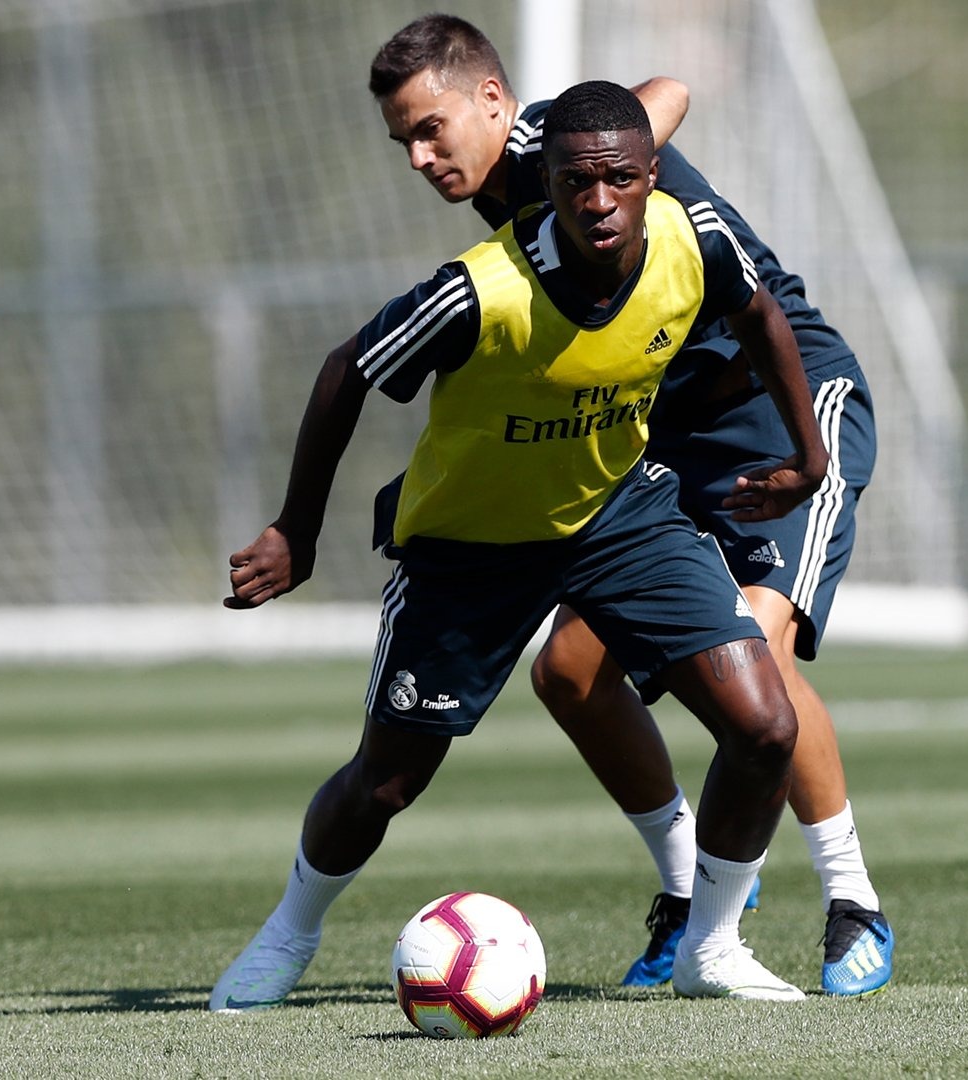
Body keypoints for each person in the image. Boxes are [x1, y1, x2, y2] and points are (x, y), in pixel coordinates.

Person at [209, 80, 830, 1012]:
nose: (598, 201)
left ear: (650, 177)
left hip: (619, 518)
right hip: (471, 547)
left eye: (620, 178)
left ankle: (713, 946)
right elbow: (347, 371)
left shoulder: (692, 241)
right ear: (550, 181)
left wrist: (807, 457)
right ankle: (288, 933)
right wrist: (296, 529)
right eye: (577, 181)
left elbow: (762, 317)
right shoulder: (479, 291)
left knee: (765, 727)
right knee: (386, 782)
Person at [367, 14, 894, 997]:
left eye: (431, 127)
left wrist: (639, 131)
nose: (419, 154)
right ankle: (690, 890)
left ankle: (852, 897)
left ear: (494, 102)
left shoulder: (557, 153)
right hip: (670, 433)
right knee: (567, 674)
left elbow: (664, 97)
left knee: (755, 652)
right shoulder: (516, 207)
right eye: (403, 139)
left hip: (779, 409)